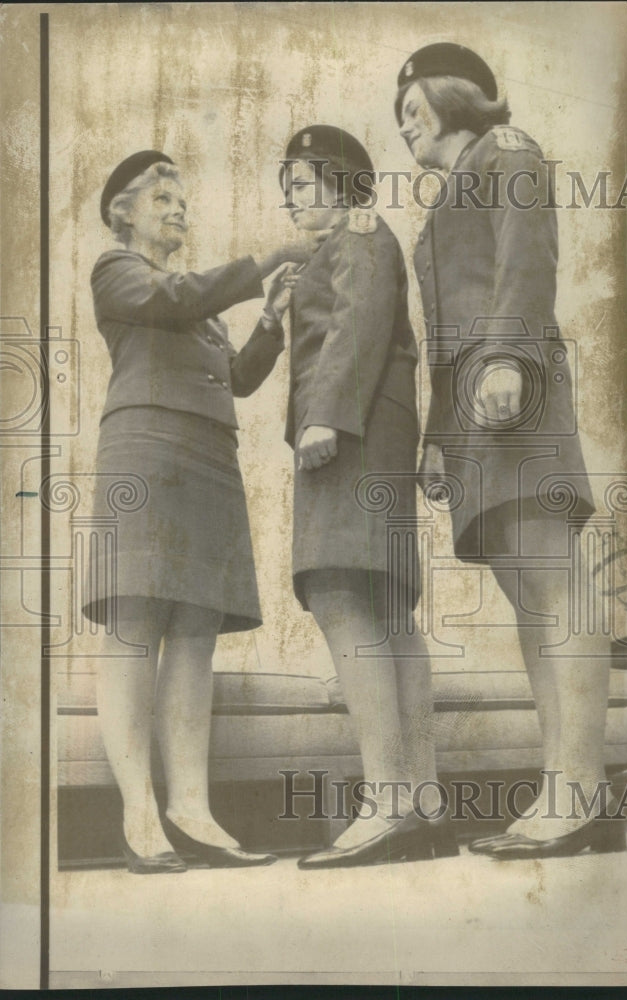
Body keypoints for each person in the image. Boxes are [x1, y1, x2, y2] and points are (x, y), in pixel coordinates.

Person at [395, 44, 626, 858]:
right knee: (531, 597)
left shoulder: (511, 151)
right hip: (468, 412)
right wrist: (434, 438)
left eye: (411, 104)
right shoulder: (439, 203)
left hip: (510, 385)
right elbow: (435, 337)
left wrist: (502, 359)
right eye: (397, 117)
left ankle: (579, 787)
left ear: (452, 93)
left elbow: (526, 264)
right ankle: (569, 790)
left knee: (554, 586)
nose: (403, 124)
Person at [84, 149, 321, 873]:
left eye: (181, 197)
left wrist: (273, 321)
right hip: (146, 452)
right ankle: (139, 816)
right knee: (135, 625)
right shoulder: (116, 270)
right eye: (161, 197)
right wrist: (267, 258)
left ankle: (191, 808)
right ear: (122, 211)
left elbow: (239, 381)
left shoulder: (198, 306)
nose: (177, 207)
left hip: (207, 462)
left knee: (194, 632)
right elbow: (177, 298)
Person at [279, 126, 459, 869]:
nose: (286, 197)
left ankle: (385, 803)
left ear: (337, 179)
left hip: (349, 432)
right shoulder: (346, 242)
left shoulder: (357, 231)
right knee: (385, 608)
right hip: (373, 430)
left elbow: (355, 324)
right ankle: (420, 800)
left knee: (341, 593)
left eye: (297, 181)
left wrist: (324, 412)